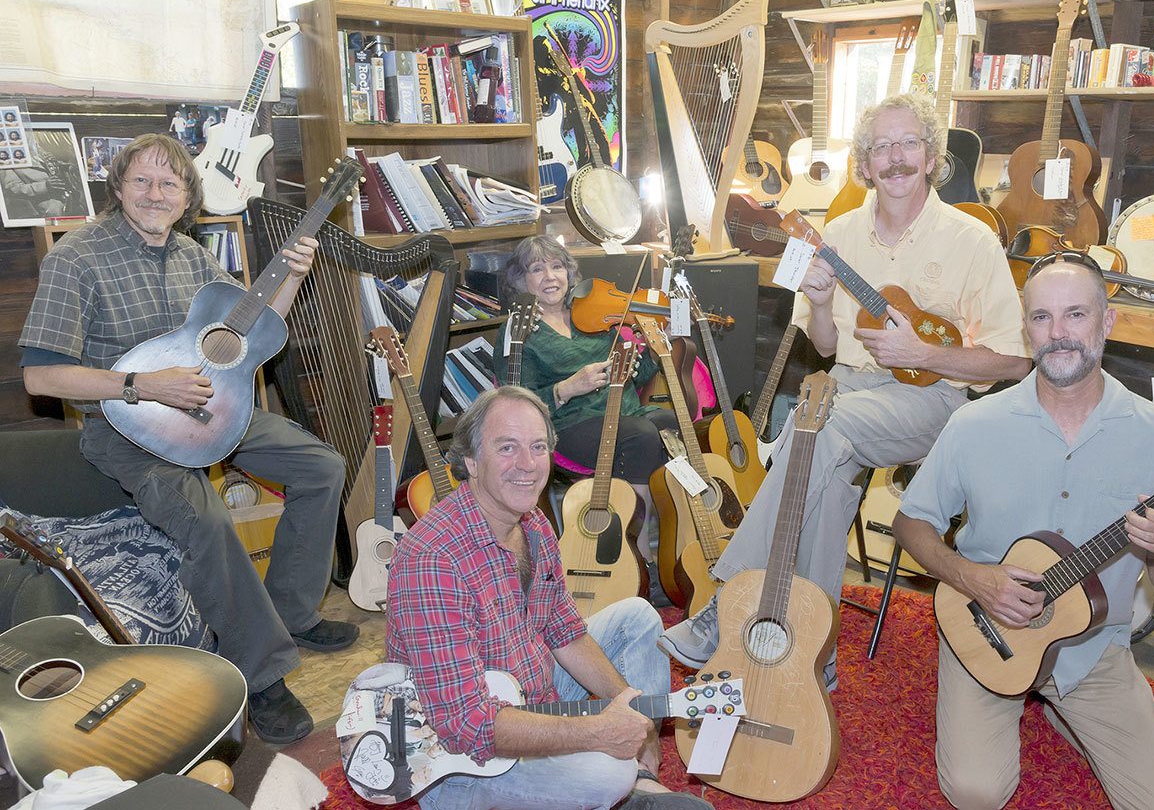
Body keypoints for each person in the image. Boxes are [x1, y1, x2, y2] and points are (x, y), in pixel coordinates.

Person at [658, 92, 1031, 680]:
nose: (896, 157)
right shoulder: (838, 232)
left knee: (817, 428)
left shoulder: (972, 239)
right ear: (864, 164)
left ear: (932, 156)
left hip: (931, 399)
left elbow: (1014, 361)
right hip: (845, 388)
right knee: (826, 476)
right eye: (881, 147)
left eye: (908, 143)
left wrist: (925, 353)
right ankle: (816, 661)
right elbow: (827, 348)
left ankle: (726, 603)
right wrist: (821, 301)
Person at [19, 133, 357, 744]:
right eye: (142, 181)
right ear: (118, 187)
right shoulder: (76, 257)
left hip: (209, 407)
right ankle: (262, 674)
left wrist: (290, 276)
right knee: (205, 517)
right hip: (125, 427)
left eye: (169, 183)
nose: (156, 194)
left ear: (186, 197)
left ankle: (292, 611)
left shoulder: (192, 256)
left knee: (322, 466)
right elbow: (40, 377)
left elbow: (250, 330)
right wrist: (142, 385)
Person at [892, 255, 1154, 809]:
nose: (1058, 333)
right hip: (986, 628)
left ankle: (1070, 707)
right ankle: (1035, 704)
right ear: (1026, 328)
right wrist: (972, 578)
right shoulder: (975, 423)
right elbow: (910, 522)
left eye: (1076, 314)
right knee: (976, 792)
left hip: (1092, 649)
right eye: (1042, 317)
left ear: (1107, 322)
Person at [385, 386, 711, 810]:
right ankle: (619, 783)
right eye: (507, 447)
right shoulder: (432, 559)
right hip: (463, 763)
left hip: (531, 696)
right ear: (471, 461)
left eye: (538, 447)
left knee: (638, 615)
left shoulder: (533, 524)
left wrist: (632, 711)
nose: (527, 464)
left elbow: (566, 632)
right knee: (609, 773)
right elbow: (467, 726)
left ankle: (638, 782)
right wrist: (599, 733)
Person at [492, 235, 678, 561]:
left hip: (625, 411)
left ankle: (667, 532)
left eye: (557, 267)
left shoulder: (591, 314)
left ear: (569, 272)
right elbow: (516, 403)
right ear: (521, 280)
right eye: (537, 269)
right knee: (641, 435)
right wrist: (568, 387)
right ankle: (637, 546)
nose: (550, 277)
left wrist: (655, 348)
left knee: (667, 422)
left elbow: (637, 375)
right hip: (569, 424)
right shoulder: (519, 331)